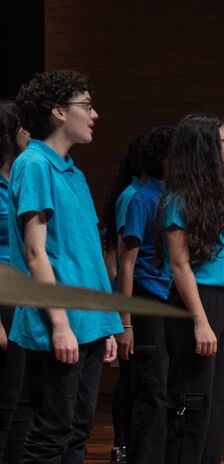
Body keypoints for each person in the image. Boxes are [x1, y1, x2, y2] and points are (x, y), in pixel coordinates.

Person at [10, 70, 122, 463]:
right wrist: (59, 324)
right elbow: (36, 254)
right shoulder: (35, 164)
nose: (95, 115)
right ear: (59, 111)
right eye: (86, 106)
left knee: (77, 432)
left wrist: (106, 325)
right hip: (57, 323)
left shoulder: (73, 172)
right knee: (50, 435)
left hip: (88, 324)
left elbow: (85, 256)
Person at [161, 114, 224, 463]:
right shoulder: (177, 201)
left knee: (220, 407)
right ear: (206, 150)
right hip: (191, 305)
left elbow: (221, 267)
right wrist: (200, 321)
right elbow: (180, 265)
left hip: (217, 302)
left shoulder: (215, 200)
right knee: (192, 404)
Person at [118, 126, 175, 464]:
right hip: (148, 302)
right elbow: (127, 264)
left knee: (168, 389)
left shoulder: (175, 198)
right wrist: (125, 324)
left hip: (171, 302)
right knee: (152, 390)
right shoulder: (143, 198)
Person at [102, 135, 146, 464]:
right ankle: (122, 443)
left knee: (137, 375)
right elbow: (119, 258)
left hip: (137, 294)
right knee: (130, 376)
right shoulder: (132, 196)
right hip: (129, 296)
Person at [0, 100, 32, 464]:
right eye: (23, 126)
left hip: (25, 296)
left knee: (25, 400)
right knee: (6, 405)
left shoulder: (25, 176)